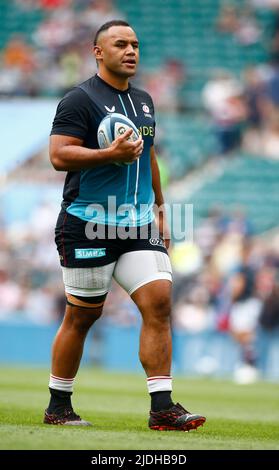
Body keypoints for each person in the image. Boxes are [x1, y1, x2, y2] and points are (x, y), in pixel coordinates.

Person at [44, 19, 206, 431]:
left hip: (136, 225)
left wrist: (162, 209)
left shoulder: (145, 100)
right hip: (87, 222)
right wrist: (108, 154)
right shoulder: (78, 99)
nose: (131, 50)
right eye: (120, 44)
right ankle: (58, 406)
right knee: (82, 317)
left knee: (159, 303)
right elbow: (60, 155)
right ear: (98, 52)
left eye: (135, 44)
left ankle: (162, 408)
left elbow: (147, 154)